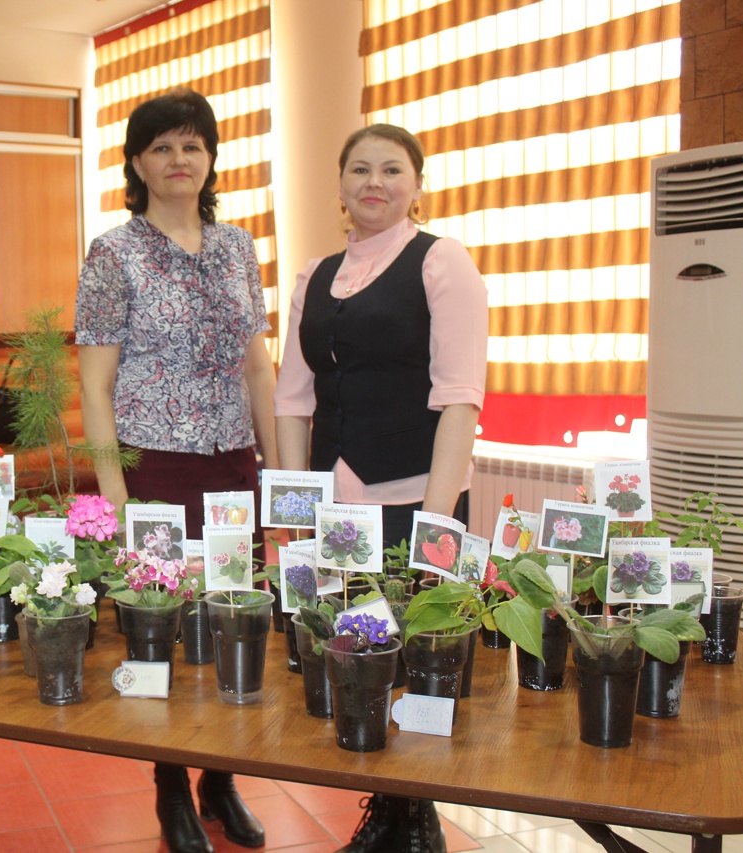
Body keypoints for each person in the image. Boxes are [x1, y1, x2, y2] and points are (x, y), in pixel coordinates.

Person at [274, 123, 488, 853]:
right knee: (352, 659)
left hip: (411, 495)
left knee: (419, 661)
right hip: (336, 502)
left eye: (392, 169)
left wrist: (437, 525)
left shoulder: (442, 261)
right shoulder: (314, 274)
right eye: (360, 169)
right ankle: (382, 811)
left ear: (416, 184)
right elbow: (292, 399)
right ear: (339, 186)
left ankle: (416, 818)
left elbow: (459, 397)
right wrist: (295, 512)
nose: (375, 182)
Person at [75, 88, 278, 853]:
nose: (178, 159)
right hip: (152, 465)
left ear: (212, 157)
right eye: (161, 146)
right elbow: (95, 385)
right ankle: (169, 790)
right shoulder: (112, 253)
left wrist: (282, 477)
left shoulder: (237, 248)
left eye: (192, 145)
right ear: (136, 163)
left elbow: (259, 370)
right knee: (155, 633)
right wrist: (116, 494)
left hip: (233, 464)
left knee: (233, 631)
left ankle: (221, 779)